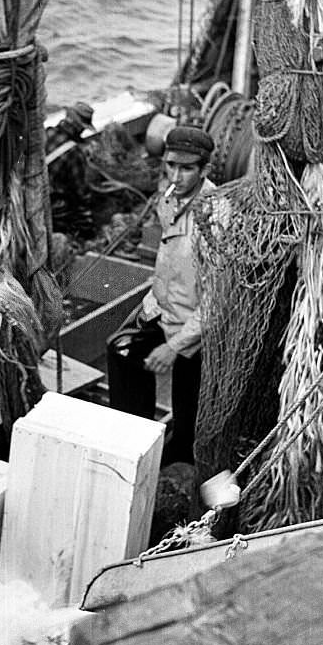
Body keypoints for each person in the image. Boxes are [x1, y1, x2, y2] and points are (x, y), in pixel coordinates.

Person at [105, 123, 215, 464]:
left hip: (197, 331)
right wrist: (149, 309)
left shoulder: (215, 217)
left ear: (204, 169)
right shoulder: (169, 198)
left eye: (186, 169)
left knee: (188, 419)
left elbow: (215, 303)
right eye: (170, 166)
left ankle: (180, 458)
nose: (175, 176)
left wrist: (173, 347)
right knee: (120, 350)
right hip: (161, 308)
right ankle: (135, 440)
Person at [46, 101, 96, 237]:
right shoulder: (75, 153)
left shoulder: (46, 132)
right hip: (50, 207)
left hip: (25, 197)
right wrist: (88, 227)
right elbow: (81, 194)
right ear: (78, 128)